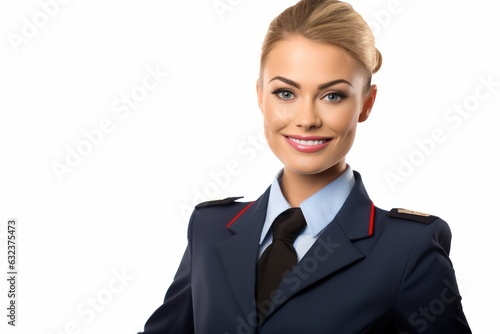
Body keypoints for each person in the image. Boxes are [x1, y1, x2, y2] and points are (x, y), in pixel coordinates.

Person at [138, 0, 471, 333]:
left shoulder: (408, 248)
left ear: (366, 104)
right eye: (285, 93)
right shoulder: (209, 229)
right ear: (260, 97)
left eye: (333, 96)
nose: (307, 120)